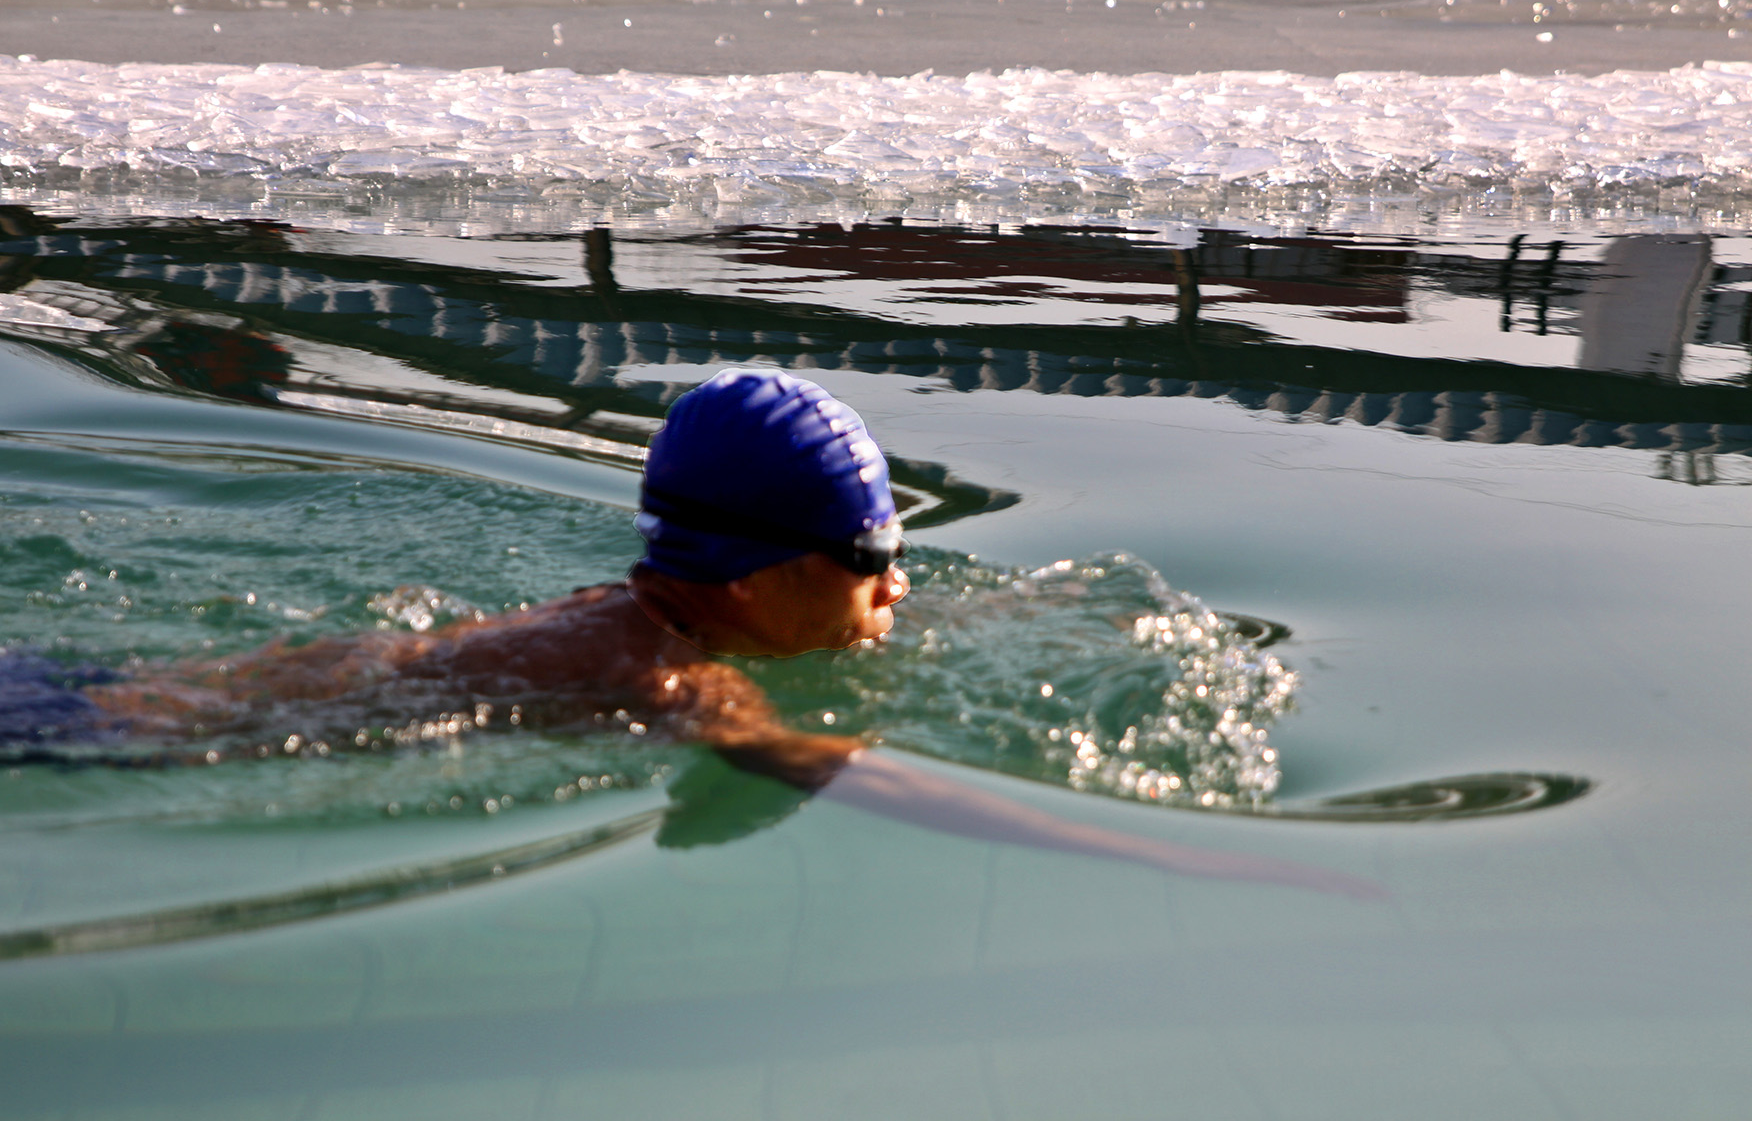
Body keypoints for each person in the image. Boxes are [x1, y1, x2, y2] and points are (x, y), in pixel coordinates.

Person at [12, 369, 1380, 897]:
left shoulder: (647, 615)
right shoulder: (665, 681)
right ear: (749, 579)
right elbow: (894, 791)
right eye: (872, 560)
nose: (900, 586)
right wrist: (1203, 860)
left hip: (116, 690)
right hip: (92, 735)